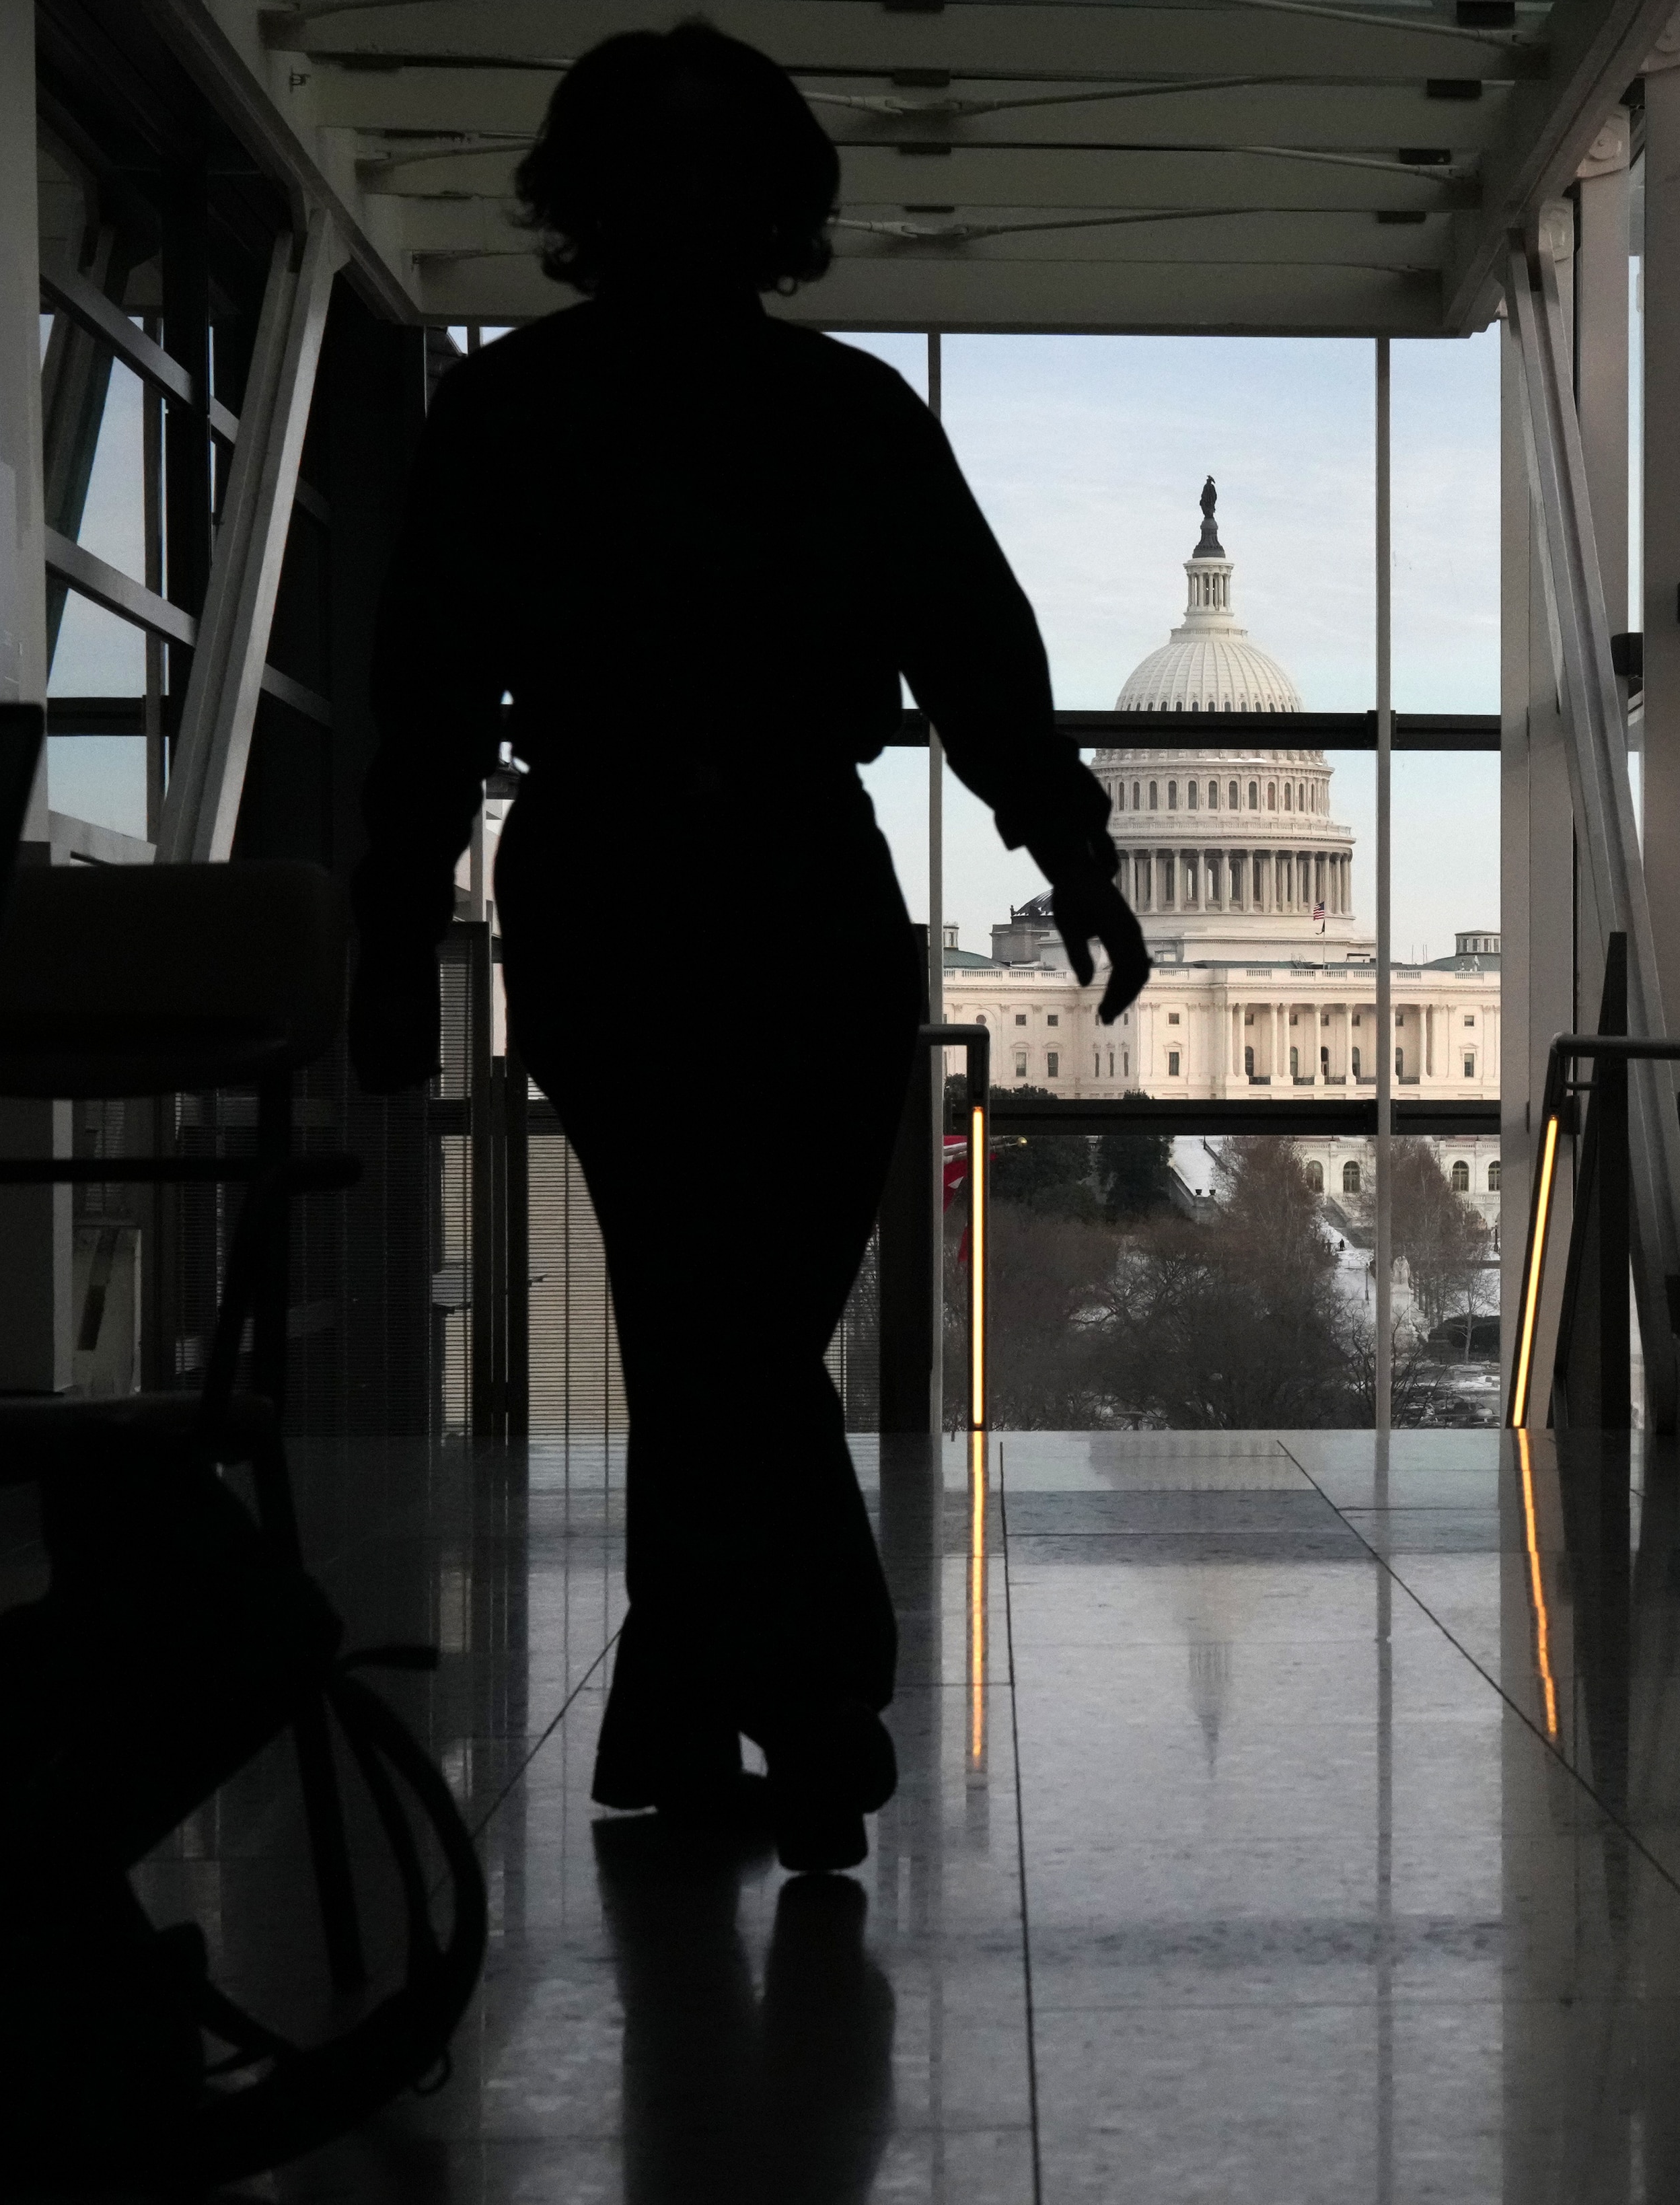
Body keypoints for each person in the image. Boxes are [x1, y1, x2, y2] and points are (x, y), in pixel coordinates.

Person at [347, 24, 1147, 1873]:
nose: (689, 202)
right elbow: (978, 667)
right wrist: (1070, 849)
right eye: (665, 166)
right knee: (726, 1319)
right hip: (744, 880)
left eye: (712, 168)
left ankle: (690, 1698)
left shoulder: (525, 411)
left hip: (677, 875)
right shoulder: (837, 413)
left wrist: (1078, 854)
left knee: (719, 1322)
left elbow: (980, 666)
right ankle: (814, 1685)